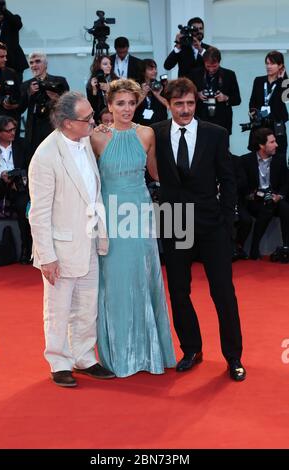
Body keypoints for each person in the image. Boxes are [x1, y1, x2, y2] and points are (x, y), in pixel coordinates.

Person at [152, 77, 246, 381]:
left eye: (190, 103)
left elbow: (228, 178)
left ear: (196, 103)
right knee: (179, 290)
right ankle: (191, 349)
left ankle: (233, 357)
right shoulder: (155, 133)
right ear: (168, 103)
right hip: (175, 219)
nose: (185, 109)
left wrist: (225, 216)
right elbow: (124, 135)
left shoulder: (215, 134)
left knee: (223, 291)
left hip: (211, 222)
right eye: (178, 104)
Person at [28, 91, 115, 387]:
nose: (93, 120)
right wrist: (47, 257)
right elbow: (38, 213)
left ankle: (84, 356)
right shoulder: (45, 155)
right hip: (60, 247)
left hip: (89, 238)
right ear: (67, 123)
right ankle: (58, 360)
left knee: (87, 303)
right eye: (87, 118)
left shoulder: (84, 142)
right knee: (58, 307)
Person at [91, 78, 176, 377]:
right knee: (114, 281)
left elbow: (154, 173)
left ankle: (148, 353)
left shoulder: (147, 133)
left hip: (139, 212)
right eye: (120, 103)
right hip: (111, 215)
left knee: (143, 277)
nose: (126, 109)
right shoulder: (96, 138)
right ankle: (118, 352)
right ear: (110, 106)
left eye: (131, 103)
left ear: (137, 103)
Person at [240, 127, 289, 260]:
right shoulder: (245, 161)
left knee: (285, 207)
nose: (276, 145)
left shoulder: (279, 160)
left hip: (274, 199)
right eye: (272, 142)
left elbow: (286, 183)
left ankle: (286, 247)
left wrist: (278, 196)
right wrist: (253, 194)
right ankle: (254, 248)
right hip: (254, 202)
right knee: (267, 208)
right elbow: (242, 187)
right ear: (262, 145)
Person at [0, 115, 31, 263]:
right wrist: (0, 176)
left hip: (17, 184)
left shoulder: (22, 145)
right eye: (8, 131)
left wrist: (16, 177)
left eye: (14, 129)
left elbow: (30, 167)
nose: (13, 133)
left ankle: (26, 250)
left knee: (24, 206)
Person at [20, 51, 69, 161]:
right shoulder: (26, 85)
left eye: (37, 61)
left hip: (53, 125)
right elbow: (20, 108)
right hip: (34, 128)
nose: (34, 65)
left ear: (45, 64)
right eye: (31, 63)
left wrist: (56, 98)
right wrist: (29, 93)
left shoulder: (59, 81)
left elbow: (67, 104)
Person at [192, 47, 241, 138]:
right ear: (204, 62)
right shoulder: (195, 74)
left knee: (222, 150)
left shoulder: (229, 75)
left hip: (222, 121)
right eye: (208, 66)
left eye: (214, 66)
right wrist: (197, 95)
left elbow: (237, 100)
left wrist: (225, 98)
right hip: (200, 120)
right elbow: (187, 96)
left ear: (219, 62)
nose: (211, 69)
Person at [248, 50, 288, 155]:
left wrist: (282, 79)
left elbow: (286, 98)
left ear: (280, 66)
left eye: (272, 63)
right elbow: (252, 102)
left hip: (276, 127)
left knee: (278, 159)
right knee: (257, 157)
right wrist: (252, 112)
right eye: (267, 63)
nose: (268, 66)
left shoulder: (284, 83)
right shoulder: (259, 80)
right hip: (260, 126)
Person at [164, 17, 210, 81]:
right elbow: (167, 66)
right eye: (195, 29)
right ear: (190, 30)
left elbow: (213, 64)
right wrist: (177, 47)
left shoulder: (209, 49)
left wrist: (200, 49)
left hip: (203, 88)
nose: (199, 31)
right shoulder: (182, 48)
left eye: (201, 28)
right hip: (184, 88)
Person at [0, 1, 28, 82]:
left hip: (13, 62)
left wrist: (3, 10)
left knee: (15, 89)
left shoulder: (12, 20)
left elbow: (18, 23)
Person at [0, 40, 20, 127]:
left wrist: (13, 105)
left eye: (5, 56)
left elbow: (19, 98)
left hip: (5, 124)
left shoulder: (11, 73)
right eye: (1, 56)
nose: (5, 59)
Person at [133, 58, 168, 126]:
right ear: (143, 72)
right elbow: (130, 107)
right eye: (151, 69)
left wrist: (157, 95)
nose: (155, 71)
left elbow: (169, 105)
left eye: (155, 69)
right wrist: (143, 95)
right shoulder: (135, 86)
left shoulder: (160, 85)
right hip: (139, 124)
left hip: (159, 124)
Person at [86, 55, 117, 124]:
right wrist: (94, 90)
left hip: (115, 116)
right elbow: (92, 107)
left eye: (110, 64)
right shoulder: (92, 82)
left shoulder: (116, 81)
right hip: (100, 119)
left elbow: (119, 100)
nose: (109, 66)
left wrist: (109, 90)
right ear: (98, 66)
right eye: (105, 64)